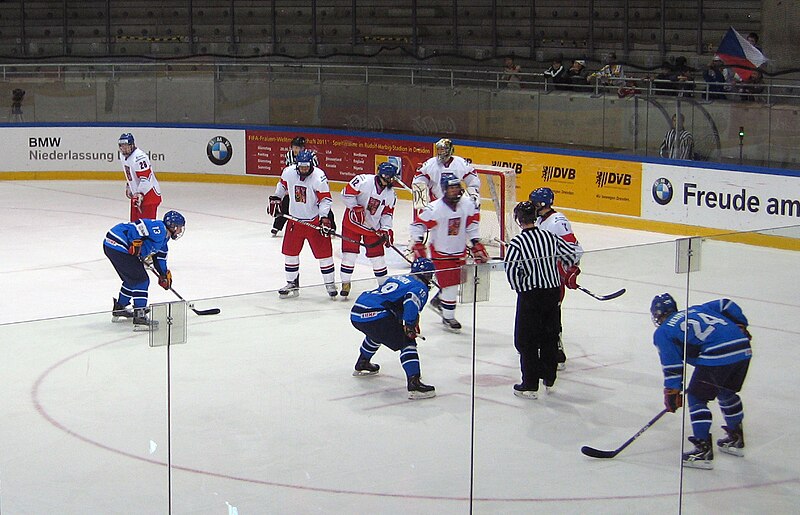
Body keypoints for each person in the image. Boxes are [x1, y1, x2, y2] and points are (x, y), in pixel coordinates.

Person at [649, 293, 753, 469]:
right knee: (726, 391)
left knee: (697, 398)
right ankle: (736, 439)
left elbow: (672, 366)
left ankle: (702, 450)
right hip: (742, 348)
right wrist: (740, 324)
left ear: (658, 316)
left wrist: (673, 391)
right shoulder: (697, 309)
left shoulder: (663, 332)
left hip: (717, 354)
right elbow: (725, 304)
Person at [503, 201, 581, 399]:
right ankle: (549, 377)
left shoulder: (517, 243)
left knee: (526, 340)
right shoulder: (549, 237)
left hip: (530, 295)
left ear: (519, 220)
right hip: (552, 292)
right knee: (549, 335)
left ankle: (530, 384)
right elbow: (572, 254)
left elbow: (511, 271)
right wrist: (563, 270)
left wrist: (521, 288)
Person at [409, 173, 489, 332]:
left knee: (456, 282)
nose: (455, 191)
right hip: (441, 252)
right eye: (451, 188)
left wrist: (475, 243)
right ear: (445, 189)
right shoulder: (434, 208)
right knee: (451, 286)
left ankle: (439, 299)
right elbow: (417, 225)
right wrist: (418, 243)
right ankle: (448, 317)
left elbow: (471, 226)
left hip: (459, 251)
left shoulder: (467, 205)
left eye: (457, 187)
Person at [350, 257, 437, 400]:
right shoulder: (420, 287)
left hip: (357, 311)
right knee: (407, 342)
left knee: (378, 333)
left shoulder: (400, 277)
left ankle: (362, 362)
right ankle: (414, 383)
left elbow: (392, 299)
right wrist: (409, 325)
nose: (431, 277)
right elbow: (410, 301)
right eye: (430, 274)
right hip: (375, 314)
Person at [267, 150, 337, 299]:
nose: (304, 170)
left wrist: (324, 217)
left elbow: (325, 199)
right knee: (290, 254)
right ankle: (292, 283)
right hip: (295, 221)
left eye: (306, 167)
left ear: (311, 165)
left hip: (314, 222)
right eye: (301, 167)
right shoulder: (289, 172)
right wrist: (276, 198)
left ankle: (330, 284)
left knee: (324, 255)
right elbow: (282, 187)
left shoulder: (319, 177)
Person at [529, 187, 584, 370]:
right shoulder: (539, 219)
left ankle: (556, 349)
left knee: (551, 314)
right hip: (540, 276)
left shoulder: (558, 221)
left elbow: (574, 249)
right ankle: (544, 346)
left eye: (534, 203)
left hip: (554, 278)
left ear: (541, 204)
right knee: (539, 313)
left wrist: (571, 269)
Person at [103, 210, 185, 330]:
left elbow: (160, 259)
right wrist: (134, 242)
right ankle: (139, 315)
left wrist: (163, 274)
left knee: (132, 279)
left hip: (113, 246)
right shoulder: (159, 228)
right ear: (173, 226)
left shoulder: (164, 241)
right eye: (179, 228)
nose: (180, 231)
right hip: (118, 244)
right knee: (141, 280)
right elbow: (138, 226)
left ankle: (120, 308)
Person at [338, 161, 399, 298]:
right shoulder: (363, 180)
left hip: (373, 228)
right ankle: (345, 283)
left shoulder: (391, 195)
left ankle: (384, 286)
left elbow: (387, 214)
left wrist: (385, 229)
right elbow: (345, 194)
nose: (390, 180)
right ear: (381, 175)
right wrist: (354, 207)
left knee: (378, 258)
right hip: (353, 223)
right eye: (388, 178)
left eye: (391, 178)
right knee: (349, 256)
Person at [412, 138, 480, 210]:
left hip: (457, 203)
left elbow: (472, 180)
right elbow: (419, 177)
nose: (440, 152)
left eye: (443, 149)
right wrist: (420, 190)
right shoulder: (430, 164)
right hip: (435, 203)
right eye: (439, 149)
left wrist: (473, 193)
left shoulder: (460, 163)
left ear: (450, 150)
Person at [271, 136, 319, 237]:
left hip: (309, 185)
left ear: (303, 148)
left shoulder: (311, 156)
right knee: (286, 203)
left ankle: (330, 225)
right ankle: (277, 226)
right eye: (294, 147)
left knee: (319, 203)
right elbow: (289, 173)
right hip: (295, 185)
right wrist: (289, 187)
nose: (296, 150)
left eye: (298, 148)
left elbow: (314, 172)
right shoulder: (289, 155)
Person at [118, 132, 161, 222]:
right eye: (122, 146)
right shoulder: (123, 156)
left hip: (149, 196)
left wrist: (140, 193)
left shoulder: (140, 157)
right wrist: (129, 186)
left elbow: (146, 179)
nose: (124, 149)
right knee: (134, 226)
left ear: (132, 145)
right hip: (137, 196)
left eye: (126, 146)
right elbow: (129, 173)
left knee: (147, 228)